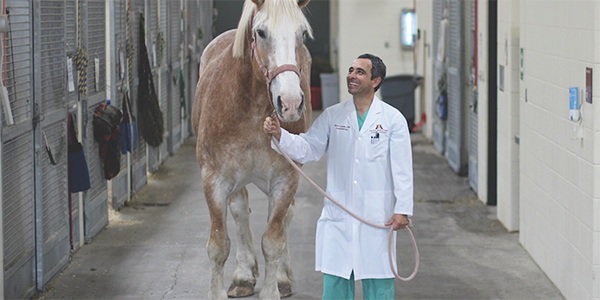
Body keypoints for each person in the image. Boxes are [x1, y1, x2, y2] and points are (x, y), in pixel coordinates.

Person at [263, 53, 413, 300]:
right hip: (339, 215)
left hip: (377, 216)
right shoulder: (334, 115)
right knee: (336, 281)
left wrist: (403, 209)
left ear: (375, 81)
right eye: (351, 70)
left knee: (379, 282)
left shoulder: (391, 119)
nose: (351, 76)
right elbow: (309, 147)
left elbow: (402, 169)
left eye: (359, 72)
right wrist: (280, 135)